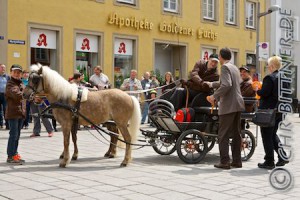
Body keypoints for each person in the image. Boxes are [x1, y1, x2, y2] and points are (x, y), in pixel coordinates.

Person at [206, 48, 245, 169]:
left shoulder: (224, 67)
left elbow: (227, 85)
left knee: (223, 134)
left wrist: (214, 96)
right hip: (238, 103)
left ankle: (224, 162)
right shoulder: (234, 68)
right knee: (236, 133)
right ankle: (237, 161)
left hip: (228, 104)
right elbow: (230, 83)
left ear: (220, 57)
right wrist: (212, 84)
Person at [256, 56, 289, 169]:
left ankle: (269, 161)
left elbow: (264, 92)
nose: (267, 67)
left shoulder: (269, 78)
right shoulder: (284, 77)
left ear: (272, 66)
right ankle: (283, 157)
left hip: (269, 112)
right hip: (281, 111)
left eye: (268, 65)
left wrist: (257, 90)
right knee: (272, 134)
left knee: (266, 135)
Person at [5, 64, 26, 164]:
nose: (17, 74)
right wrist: (27, 94)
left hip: (21, 113)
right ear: (11, 73)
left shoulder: (21, 84)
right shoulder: (10, 84)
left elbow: (25, 96)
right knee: (13, 135)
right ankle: (10, 156)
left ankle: (15, 154)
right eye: (15, 72)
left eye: (19, 72)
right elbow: (16, 94)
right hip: (13, 113)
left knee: (17, 135)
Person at [239, 66, 256, 130]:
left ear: (249, 74)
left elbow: (243, 95)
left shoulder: (250, 84)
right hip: (242, 105)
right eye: (241, 72)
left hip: (246, 107)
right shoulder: (243, 82)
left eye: (244, 72)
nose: (242, 73)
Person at [0, 64, 10, 129]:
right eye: (2, 67)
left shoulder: (7, 77)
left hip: (5, 95)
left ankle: (7, 125)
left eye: (4, 67)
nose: (3, 69)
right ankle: (1, 124)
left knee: (6, 109)